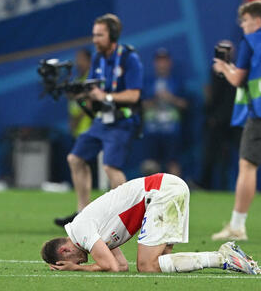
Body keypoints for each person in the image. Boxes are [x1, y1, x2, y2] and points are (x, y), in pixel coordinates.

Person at [41, 173, 261, 275]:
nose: (82, 261)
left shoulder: (81, 231)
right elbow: (120, 266)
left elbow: (110, 267)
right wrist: (87, 265)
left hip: (160, 192)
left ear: (65, 251)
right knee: (160, 263)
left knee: (148, 266)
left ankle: (223, 258)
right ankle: (224, 257)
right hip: (167, 187)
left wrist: (77, 269)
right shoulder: (90, 231)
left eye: (72, 261)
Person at [211, 0, 261, 242]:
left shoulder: (251, 41)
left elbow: (238, 79)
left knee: (247, 166)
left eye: (245, 20)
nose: (243, 25)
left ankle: (237, 226)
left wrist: (224, 68)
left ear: (257, 21)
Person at [55, 14, 143, 227]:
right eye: (94, 35)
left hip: (122, 121)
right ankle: (82, 214)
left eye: (100, 35)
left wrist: (106, 97)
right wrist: (77, 93)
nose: (95, 39)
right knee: (75, 158)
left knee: (111, 167)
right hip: (102, 120)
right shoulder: (97, 58)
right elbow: (93, 89)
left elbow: (134, 95)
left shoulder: (129, 59)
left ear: (112, 35)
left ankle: (124, 218)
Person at [199, 41, 239, 190]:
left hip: (230, 121)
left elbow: (228, 98)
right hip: (218, 120)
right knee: (211, 155)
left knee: (233, 157)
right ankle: (207, 184)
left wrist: (217, 117)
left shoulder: (235, 71)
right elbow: (214, 96)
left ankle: (226, 186)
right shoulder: (215, 70)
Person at [141, 48, 188, 177]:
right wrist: (155, 100)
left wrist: (170, 98)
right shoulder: (148, 82)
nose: (162, 64)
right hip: (152, 129)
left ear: (169, 63)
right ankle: (153, 189)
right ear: (155, 63)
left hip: (171, 130)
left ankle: (176, 188)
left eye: (164, 61)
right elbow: (141, 105)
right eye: (159, 61)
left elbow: (185, 104)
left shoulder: (177, 82)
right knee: (151, 164)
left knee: (173, 162)